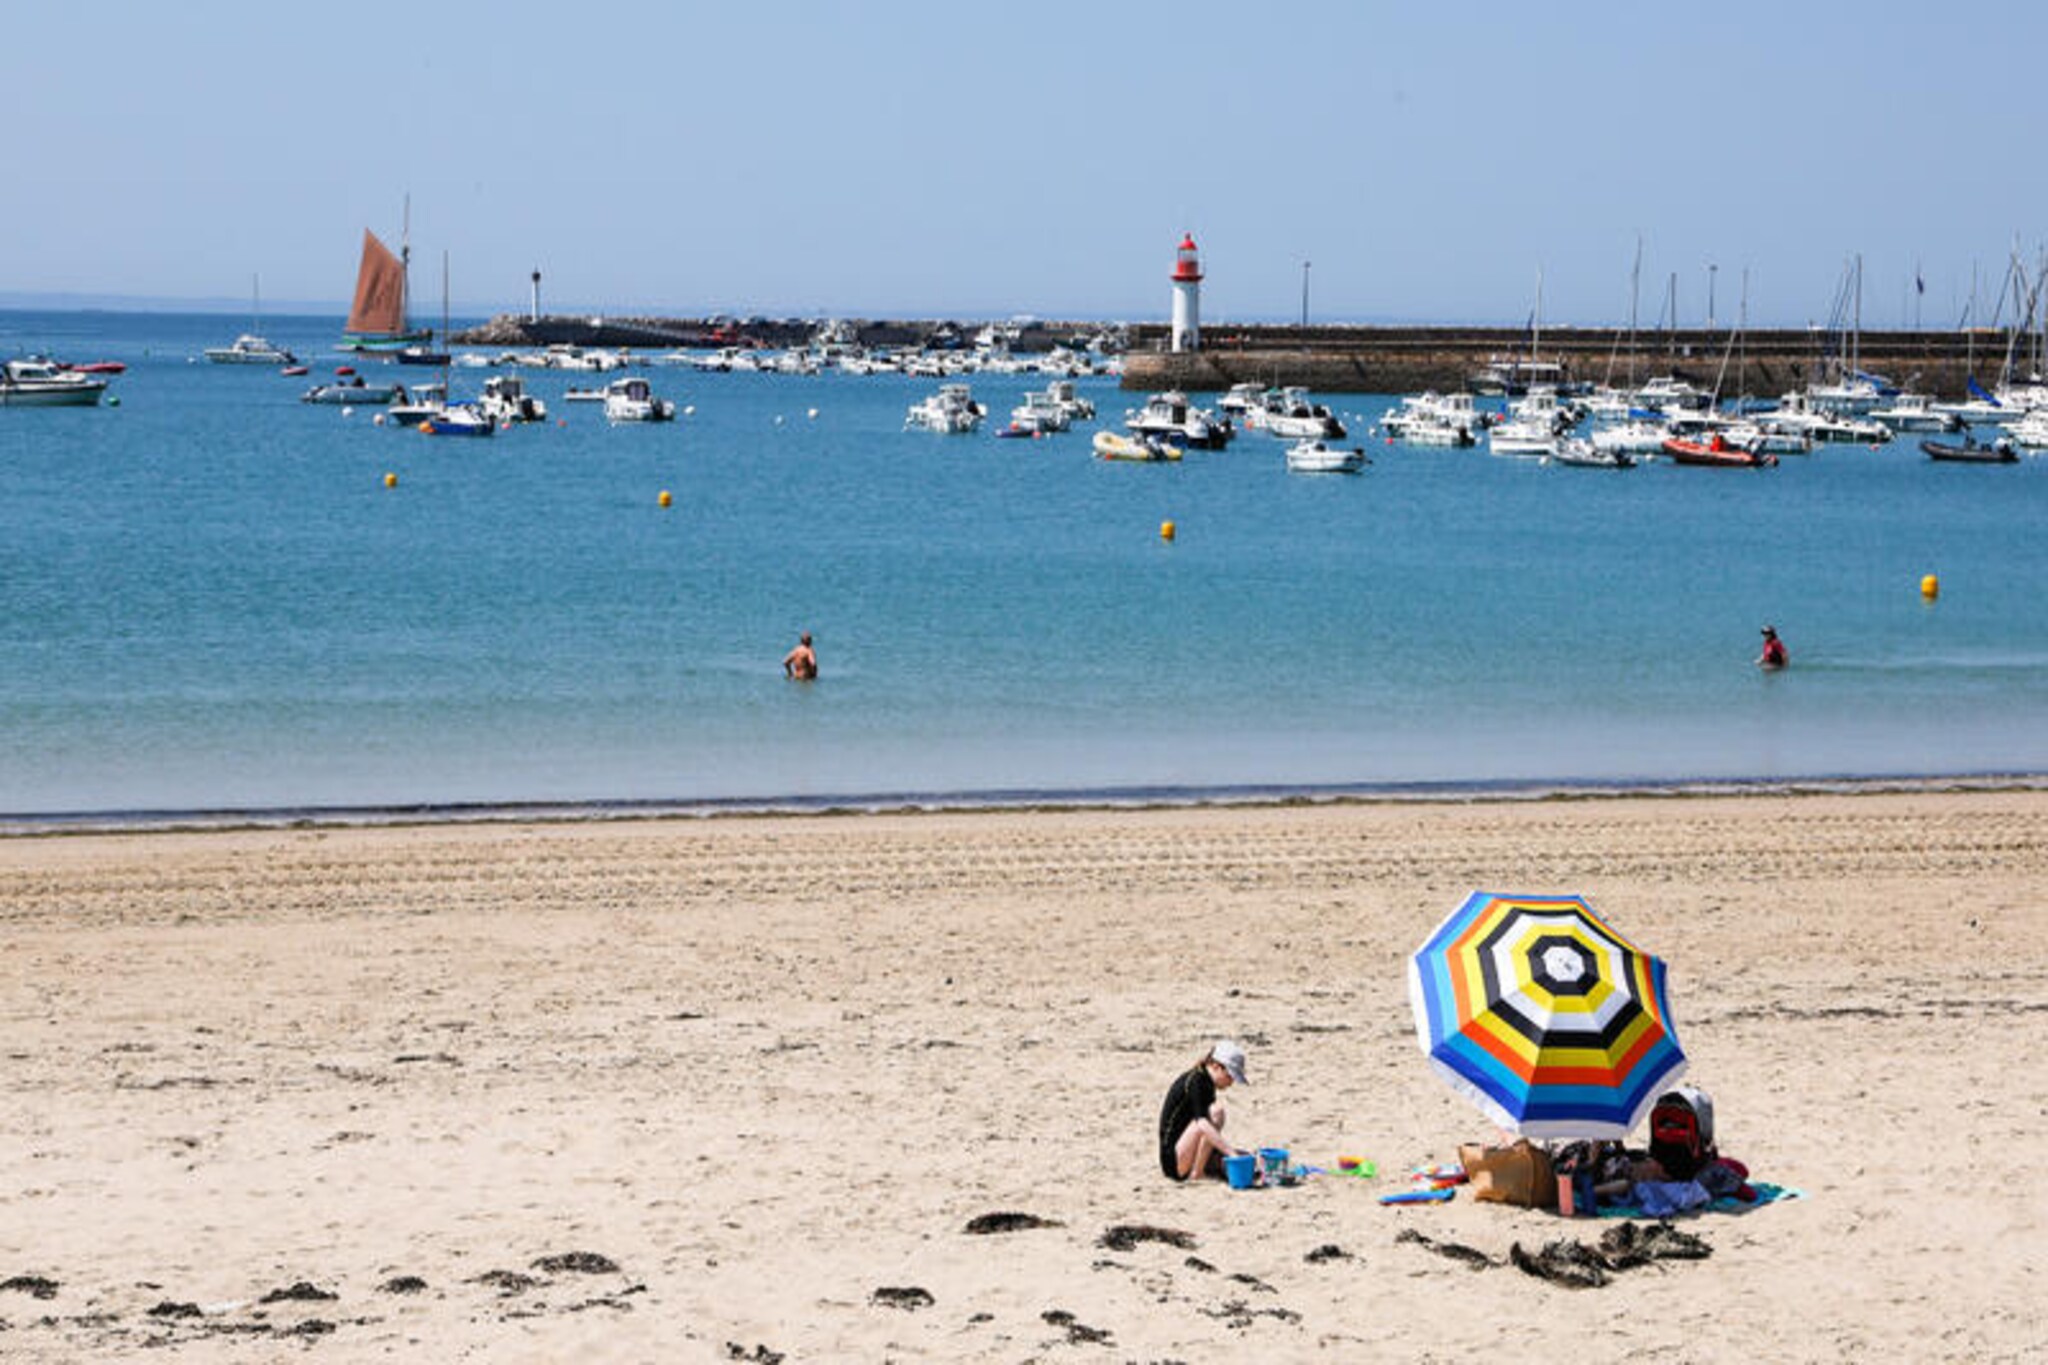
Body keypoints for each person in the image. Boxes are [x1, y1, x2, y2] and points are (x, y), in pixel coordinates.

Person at [1158, 1040, 1251, 1182]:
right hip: (1174, 1162)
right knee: (1216, 1113)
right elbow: (1202, 1124)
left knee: (1247, 1157)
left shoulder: (1206, 1081)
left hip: (1187, 1148)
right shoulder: (1196, 1081)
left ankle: (1202, 1167)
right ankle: (1197, 1173)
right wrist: (1230, 1153)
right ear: (1216, 1066)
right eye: (1230, 1076)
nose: (1231, 1083)